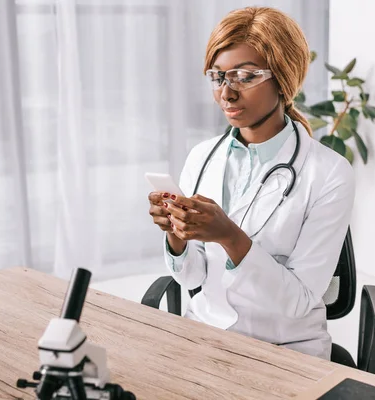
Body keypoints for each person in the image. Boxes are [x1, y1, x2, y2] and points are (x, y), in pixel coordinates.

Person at [147, 6, 355, 359]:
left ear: (284, 78)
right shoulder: (202, 157)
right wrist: (176, 235)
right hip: (205, 335)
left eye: (244, 76)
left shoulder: (330, 173)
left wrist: (229, 236)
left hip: (285, 348)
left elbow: (300, 301)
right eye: (218, 77)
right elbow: (193, 277)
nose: (226, 94)